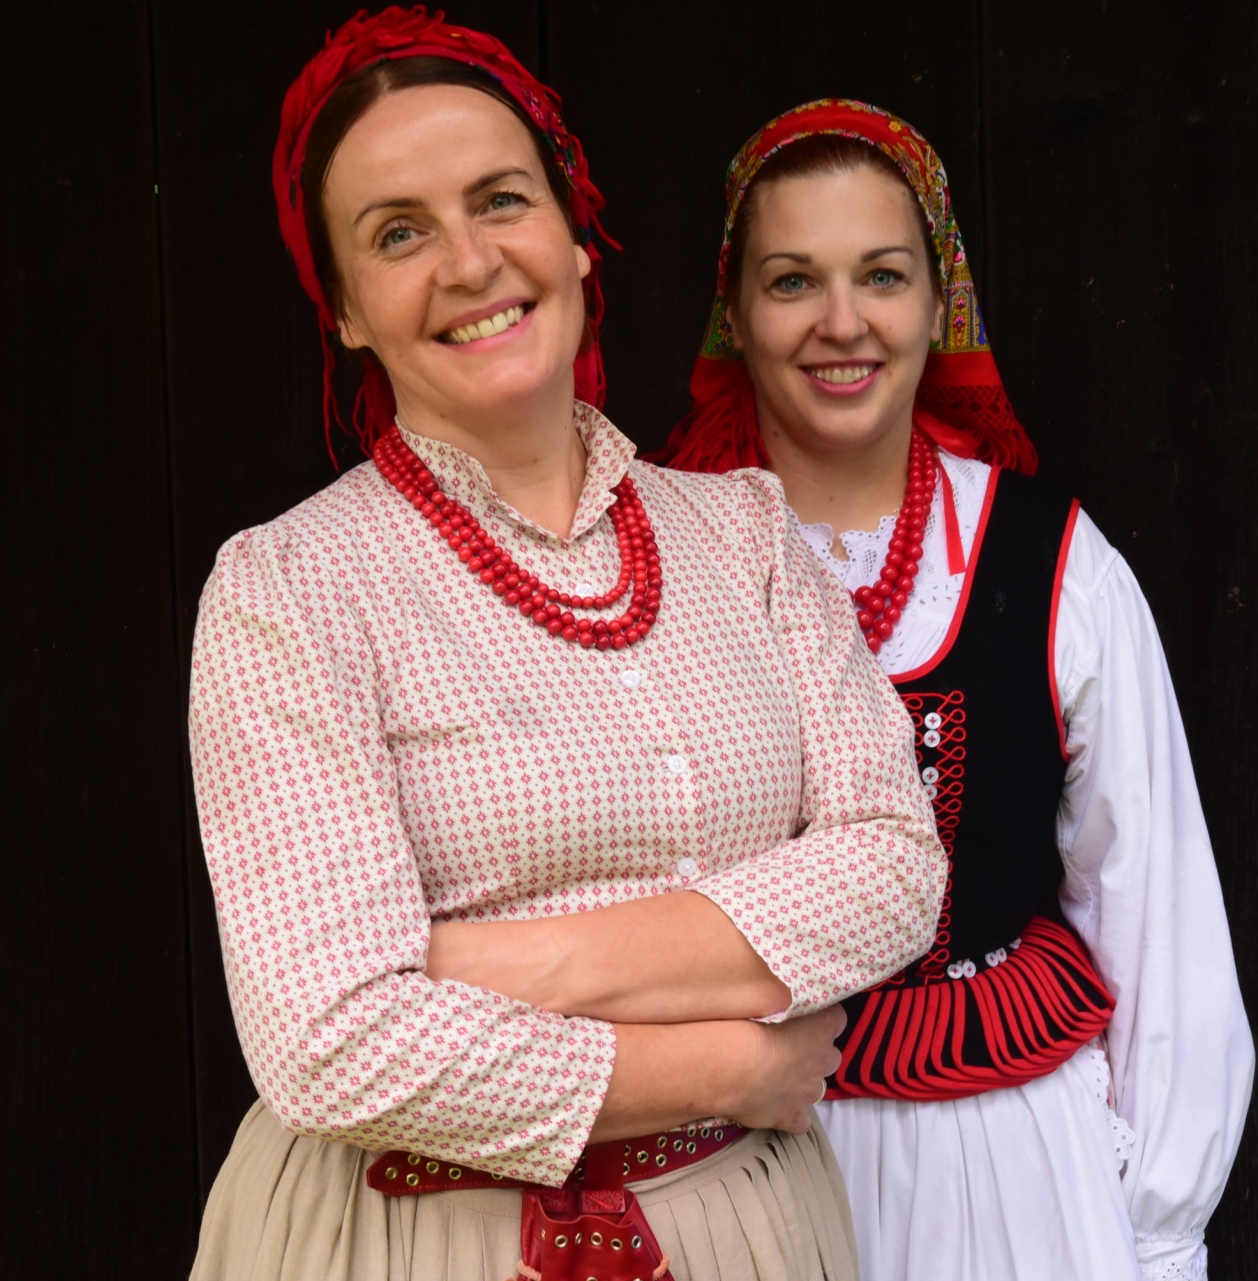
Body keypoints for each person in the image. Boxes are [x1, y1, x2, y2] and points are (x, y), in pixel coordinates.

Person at [185, 20, 946, 1281]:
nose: (470, 261)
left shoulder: (745, 533)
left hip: (741, 1226)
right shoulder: (293, 586)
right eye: (398, 233)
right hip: (415, 1236)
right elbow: (329, 1041)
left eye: (501, 200)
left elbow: (892, 869)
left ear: (576, 238)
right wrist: (721, 1066)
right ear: (347, 312)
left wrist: (492, 962)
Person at [655, 100, 1254, 1281]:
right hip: (723, 1157)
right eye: (792, 280)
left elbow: (1150, 903)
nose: (842, 322)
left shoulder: (1053, 563)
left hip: (1001, 1166)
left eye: (882, 275)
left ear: (942, 304)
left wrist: (1158, 1227)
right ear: (735, 311)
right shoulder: (650, 558)